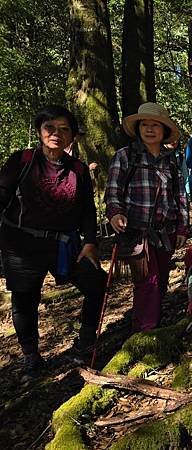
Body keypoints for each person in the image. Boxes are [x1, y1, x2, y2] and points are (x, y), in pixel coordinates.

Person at [0, 105, 107, 381]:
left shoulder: (79, 170)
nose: (56, 134)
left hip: (64, 245)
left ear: (72, 135)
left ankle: (85, 341)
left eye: (64, 129)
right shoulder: (22, 161)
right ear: (39, 131)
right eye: (50, 128)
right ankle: (31, 356)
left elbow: (86, 209)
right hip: (21, 245)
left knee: (96, 282)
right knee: (25, 299)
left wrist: (90, 242)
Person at [105, 102, 188, 332]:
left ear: (164, 131)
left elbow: (180, 195)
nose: (149, 129)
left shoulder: (171, 160)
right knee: (146, 282)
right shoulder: (125, 156)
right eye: (145, 125)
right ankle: (145, 330)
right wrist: (115, 213)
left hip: (166, 231)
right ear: (138, 128)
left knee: (161, 280)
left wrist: (182, 227)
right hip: (136, 233)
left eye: (155, 125)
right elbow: (113, 191)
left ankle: (152, 318)